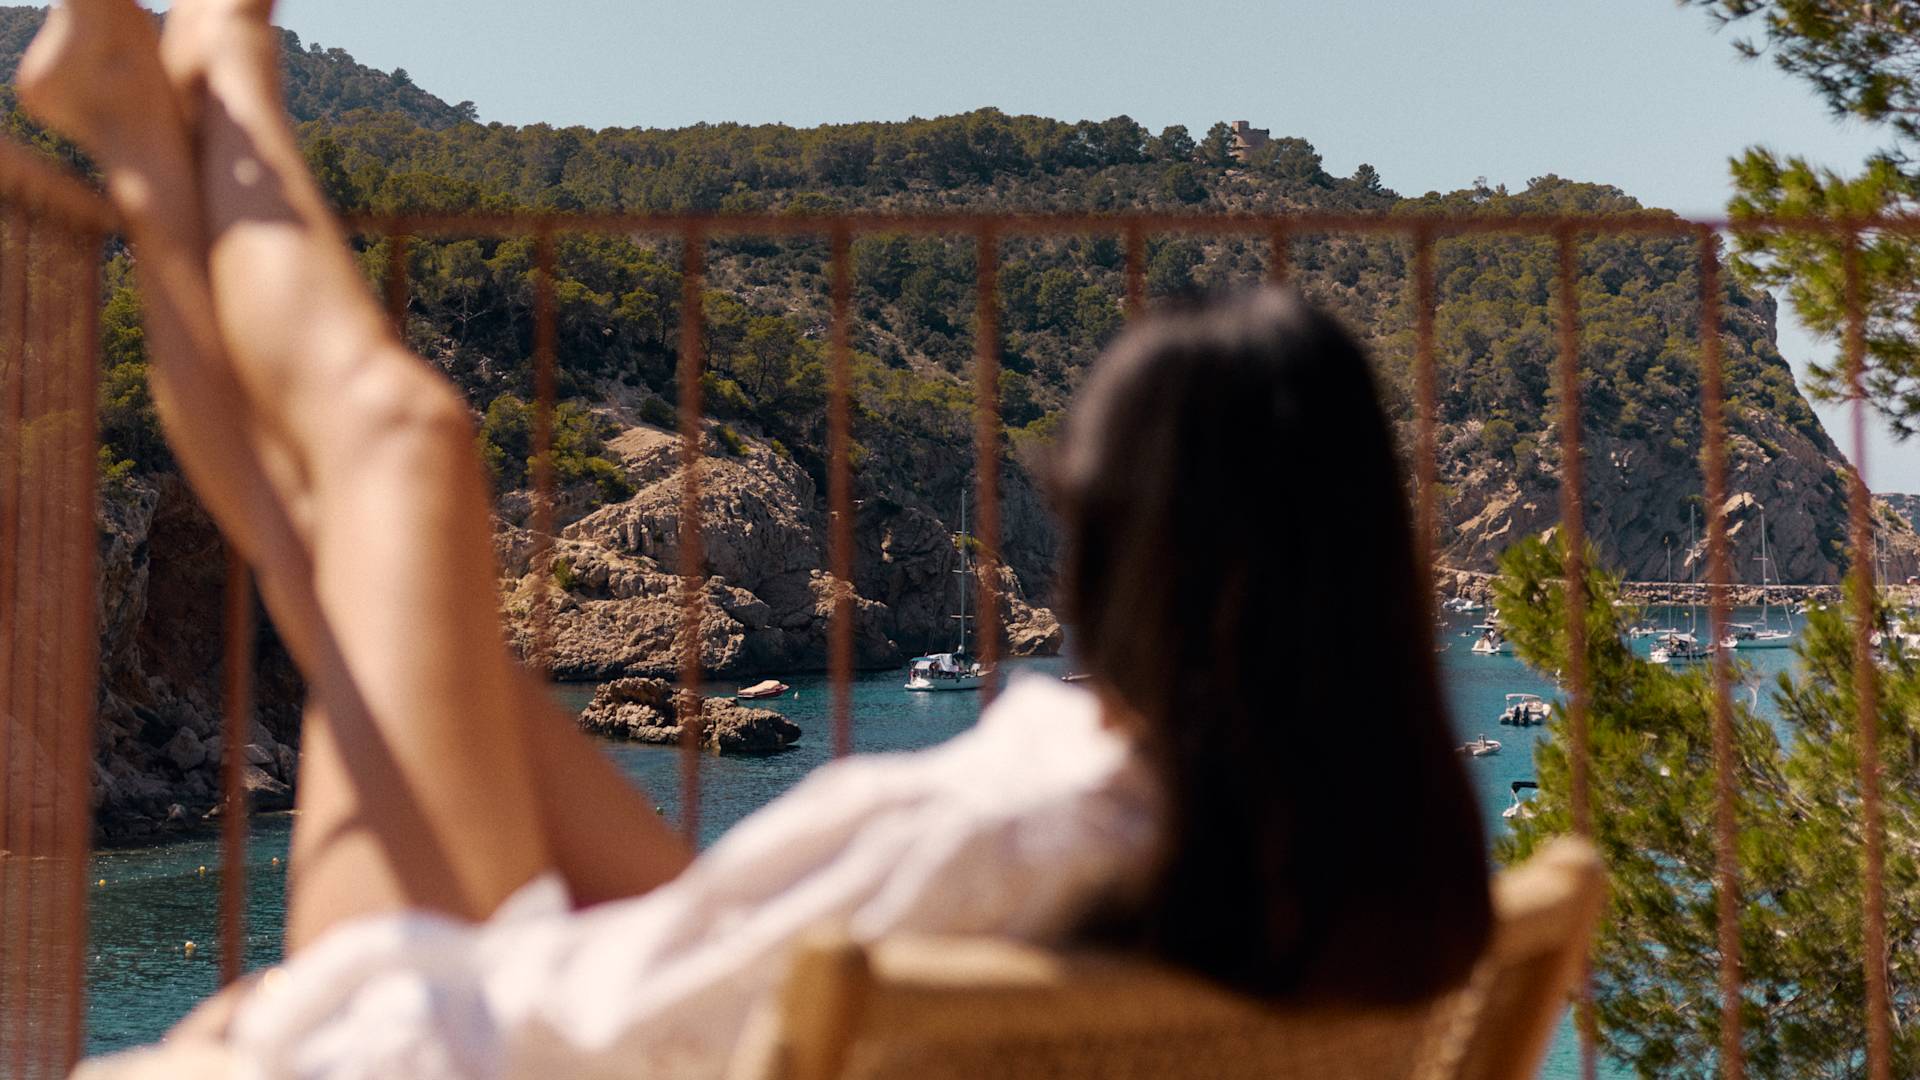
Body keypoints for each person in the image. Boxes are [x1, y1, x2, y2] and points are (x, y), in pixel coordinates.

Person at [20, 2, 1490, 1075]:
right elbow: (715, 948)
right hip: (650, 999)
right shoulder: (1390, 890)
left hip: (446, 1043)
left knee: (410, 453)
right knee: (372, 581)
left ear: (1110, 554)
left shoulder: (1024, 812)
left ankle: (204, 106)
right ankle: (154, 138)